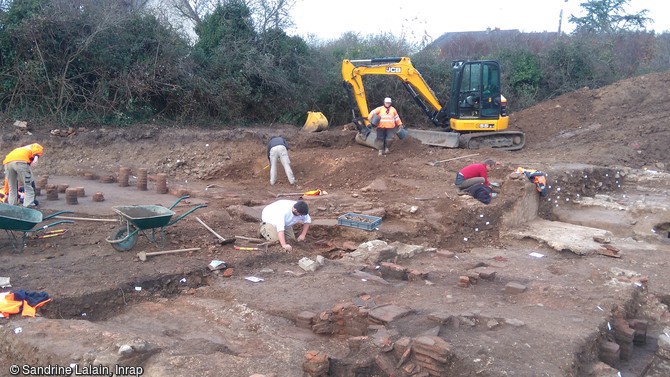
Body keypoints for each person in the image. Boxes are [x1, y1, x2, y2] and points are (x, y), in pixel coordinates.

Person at [3, 143, 43, 207]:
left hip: (7, 163)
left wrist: (6, 191)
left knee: (12, 187)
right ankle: (28, 207)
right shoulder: (32, 146)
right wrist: (36, 159)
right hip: (20, 162)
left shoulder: (18, 150)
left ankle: (12, 207)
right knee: (28, 186)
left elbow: (7, 180)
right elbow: (37, 148)